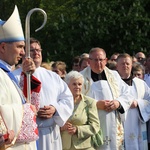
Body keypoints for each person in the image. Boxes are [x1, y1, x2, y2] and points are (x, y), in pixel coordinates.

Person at [13, 37, 74, 150]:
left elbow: (67, 98)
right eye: (32, 50)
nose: (36, 53)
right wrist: (30, 112)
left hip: (51, 134)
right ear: (23, 53)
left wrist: (55, 109)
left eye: (39, 50)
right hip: (27, 137)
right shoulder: (15, 77)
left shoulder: (53, 76)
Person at [0, 6, 38, 149]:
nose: (23, 52)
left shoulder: (6, 73)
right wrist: (26, 110)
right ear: (3, 47)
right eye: (20, 47)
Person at [80, 47, 132, 150]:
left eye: (101, 60)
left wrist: (118, 103)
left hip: (113, 121)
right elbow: (74, 99)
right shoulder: (80, 77)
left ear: (106, 60)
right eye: (95, 60)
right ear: (89, 61)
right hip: (91, 122)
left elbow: (128, 93)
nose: (98, 63)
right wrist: (95, 105)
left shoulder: (114, 75)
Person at [116, 53, 150, 150]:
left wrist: (139, 104)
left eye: (127, 63)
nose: (125, 66)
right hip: (119, 125)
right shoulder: (112, 84)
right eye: (122, 64)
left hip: (137, 125)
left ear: (131, 65)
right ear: (117, 66)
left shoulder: (141, 84)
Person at [61, 70, 100, 150]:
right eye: (74, 84)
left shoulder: (90, 102)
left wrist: (77, 129)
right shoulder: (60, 102)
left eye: (79, 84)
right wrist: (60, 127)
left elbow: (95, 126)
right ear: (67, 85)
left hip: (85, 147)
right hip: (64, 146)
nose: (77, 87)